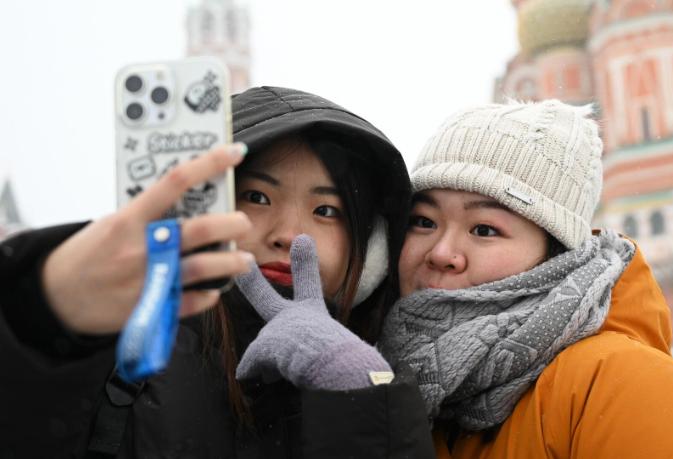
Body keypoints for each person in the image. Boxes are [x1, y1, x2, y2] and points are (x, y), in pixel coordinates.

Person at [0, 86, 433, 458]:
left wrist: (357, 388)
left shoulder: (397, 373)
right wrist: (43, 311)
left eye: (325, 210)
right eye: (257, 197)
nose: (288, 235)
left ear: (371, 249)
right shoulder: (115, 354)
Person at [378, 99, 673, 458]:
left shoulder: (626, 390)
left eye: (485, 229)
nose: (442, 253)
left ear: (556, 257)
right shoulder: (386, 393)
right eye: (424, 221)